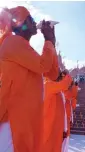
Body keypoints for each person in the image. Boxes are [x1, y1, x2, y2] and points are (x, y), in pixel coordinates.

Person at [0, 6, 58, 152]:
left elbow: (52, 74)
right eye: (31, 20)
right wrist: (49, 40)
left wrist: (51, 41)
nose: (35, 23)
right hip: (13, 121)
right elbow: (43, 65)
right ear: (21, 24)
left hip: (24, 119)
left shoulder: (24, 48)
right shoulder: (12, 42)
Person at [43, 72, 72, 152]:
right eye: (58, 72)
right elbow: (65, 84)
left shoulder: (58, 90)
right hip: (48, 127)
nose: (60, 74)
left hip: (56, 128)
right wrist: (68, 75)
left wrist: (64, 128)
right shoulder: (47, 85)